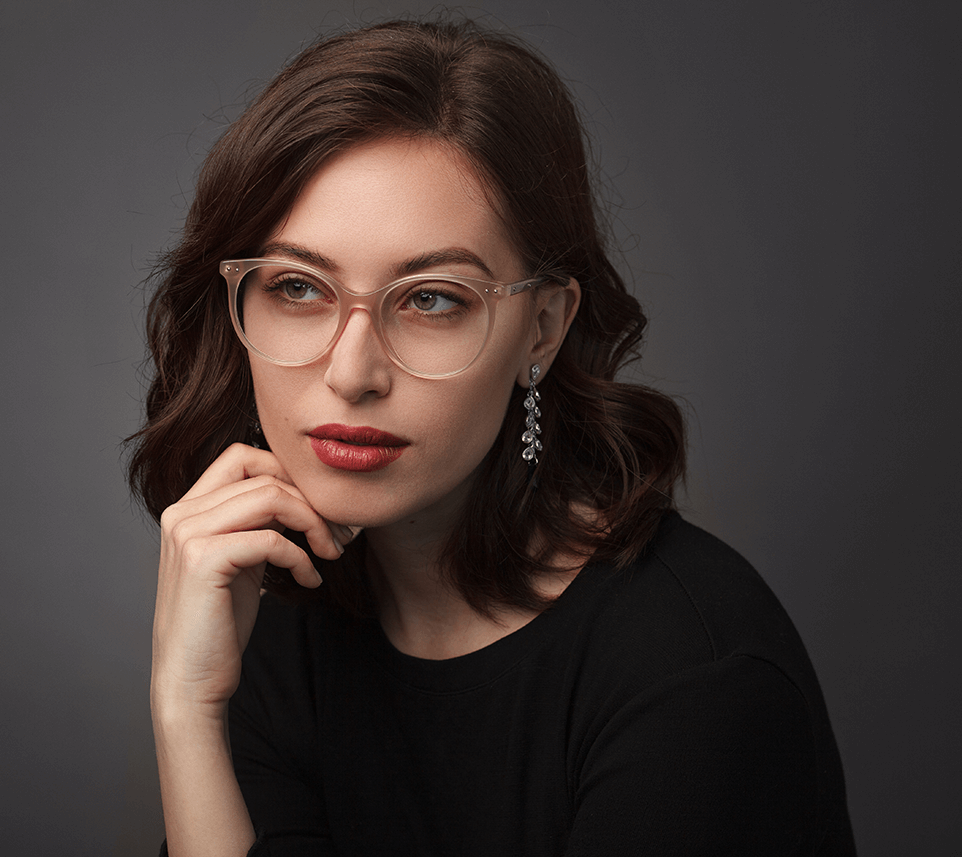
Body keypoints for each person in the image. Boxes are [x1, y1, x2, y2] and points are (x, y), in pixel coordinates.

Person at [127, 17, 855, 856]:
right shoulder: (270, 612)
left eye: (432, 298)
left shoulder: (694, 673)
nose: (352, 370)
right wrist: (186, 708)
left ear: (542, 329)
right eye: (297, 287)